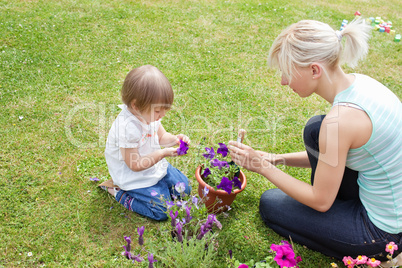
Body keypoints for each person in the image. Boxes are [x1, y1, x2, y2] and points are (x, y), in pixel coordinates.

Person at [228, 19, 401, 261]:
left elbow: (320, 201)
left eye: (287, 72)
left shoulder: (340, 121)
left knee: (270, 205)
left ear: (314, 70)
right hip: (388, 205)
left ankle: (377, 256)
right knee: (315, 129)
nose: (283, 81)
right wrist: (275, 159)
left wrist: (261, 166)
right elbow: (335, 155)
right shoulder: (361, 84)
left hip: (383, 233)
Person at [103, 65, 191, 221]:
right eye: (158, 111)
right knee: (163, 211)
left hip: (153, 165)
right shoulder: (127, 128)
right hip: (133, 176)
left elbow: (161, 137)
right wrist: (163, 153)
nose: (162, 114)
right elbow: (135, 165)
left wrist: (175, 139)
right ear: (136, 105)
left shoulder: (148, 114)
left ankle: (159, 186)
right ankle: (119, 192)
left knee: (185, 190)